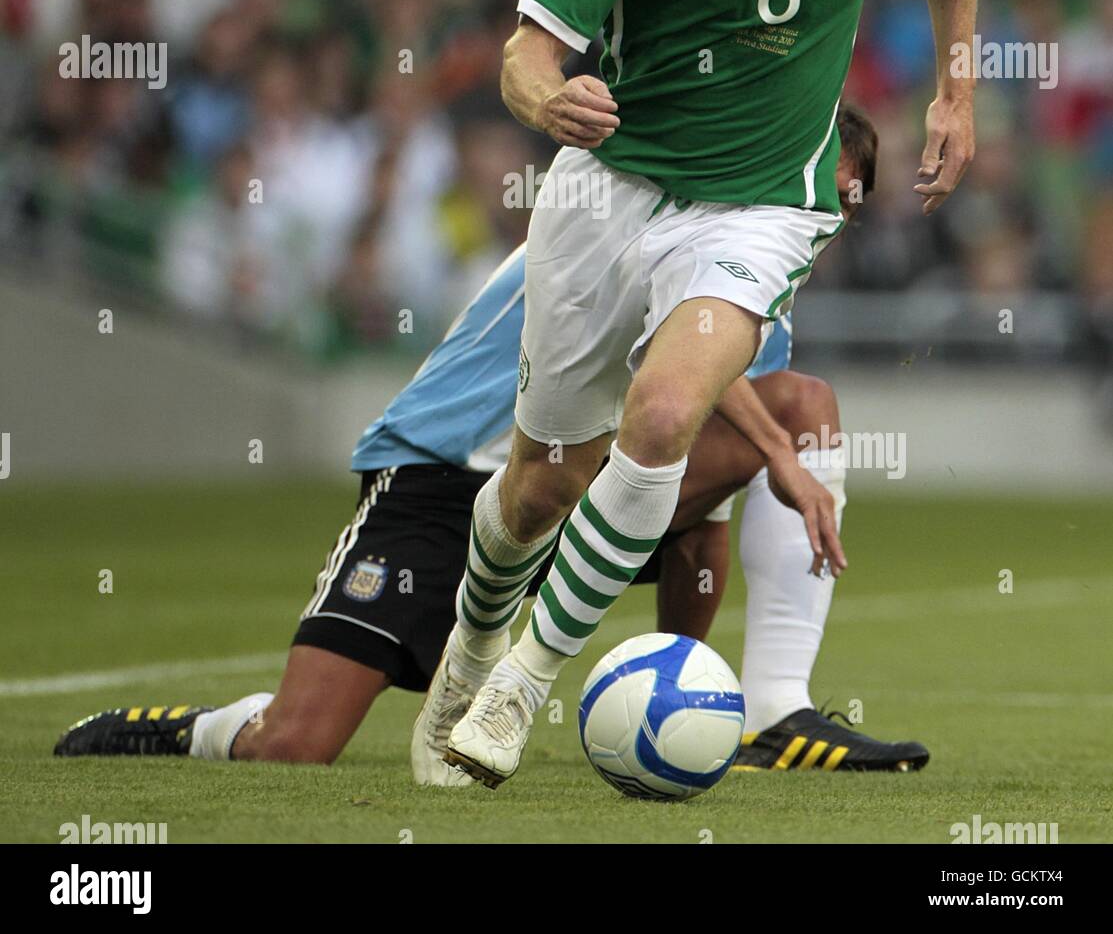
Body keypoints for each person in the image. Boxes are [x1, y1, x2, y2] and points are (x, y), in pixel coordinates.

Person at [431, 0, 976, 788]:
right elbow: (524, 55)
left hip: (762, 203)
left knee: (669, 411)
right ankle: (472, 643)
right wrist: (550, 95)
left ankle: (523, 684)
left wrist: (957, 84)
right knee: (537, 483)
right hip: (607, 195)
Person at [54, 105, 929, 777]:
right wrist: (778, 454)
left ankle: (763, 713)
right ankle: (185, 728)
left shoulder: (757, 298)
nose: (828, 215)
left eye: (846, 202)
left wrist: (685, 677)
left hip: (573, 495)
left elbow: (696, 500)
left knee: (779, 421)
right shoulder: (655, 213)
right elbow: (656, 342)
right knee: (296, 745)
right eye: (821, 187)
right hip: (445, 475)